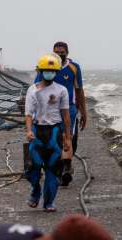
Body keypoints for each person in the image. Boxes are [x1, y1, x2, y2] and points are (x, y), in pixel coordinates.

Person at [34, 42, 87, 187]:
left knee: (69, 139)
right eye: (57, 52)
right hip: (49, 110)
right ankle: (61, 169)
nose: (60, 54)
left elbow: (80, 90)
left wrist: (84, 112)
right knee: (52, 141)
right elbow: (36, 89)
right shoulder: (47, 68)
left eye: (62, 52)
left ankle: (65, 169)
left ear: (67, 53)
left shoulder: (74, 68)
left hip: (69, 109)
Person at [25, 53, 72, 213]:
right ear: (40, 71)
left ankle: (49, 202)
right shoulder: (32, 90)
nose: (49, 74)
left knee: (53, 169)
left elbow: (65, 114)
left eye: (52, 71)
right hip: (37, 132)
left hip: (54, 132)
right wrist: (29, 130)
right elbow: (29, 113)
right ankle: (35, 190)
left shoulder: (61, 90)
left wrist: (67, 137)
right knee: (32, 168)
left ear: (57, 72)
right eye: (46, 70)